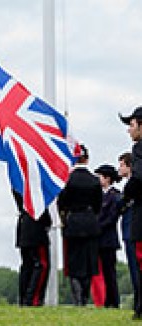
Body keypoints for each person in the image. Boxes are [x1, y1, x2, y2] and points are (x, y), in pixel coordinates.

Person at [57, 145, 103, 306]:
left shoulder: (68, 180)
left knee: (74, 262)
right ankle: (85, 296)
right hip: (90, 222)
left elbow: (62, 203)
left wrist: (64, 218)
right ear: (87, 159)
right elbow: (98, 205)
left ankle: (78, 298)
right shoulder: (95, 180)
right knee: (89, 262)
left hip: (74, 222)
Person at [119, 106, 142, 319]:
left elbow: (138, 178)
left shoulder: (138, 149)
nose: (129, 130)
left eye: (132, 125)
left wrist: (125, 196)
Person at [12, 189, 51, 306]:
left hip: (24, 227)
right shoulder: (34, 187)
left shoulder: (18, 185)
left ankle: (24, 298)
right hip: (36, 228)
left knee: (27, 265)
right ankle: (33, 299)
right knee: (40, 265)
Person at [94, 164, 121, 308]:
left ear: (107, 178)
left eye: (100, 176)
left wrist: (97, 226)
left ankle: (113, 300)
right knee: (102, 272)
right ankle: (105, 300)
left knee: (110, 271)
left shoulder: (114, 196)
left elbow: (112, 217)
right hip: (100, 239)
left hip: (108, 239)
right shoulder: (99, 196)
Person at [118, 152, 139, 310]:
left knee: (136, 268)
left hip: (133, 229)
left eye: (122, 164)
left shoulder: (133, 187)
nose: (119, 168)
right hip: (129, 229)